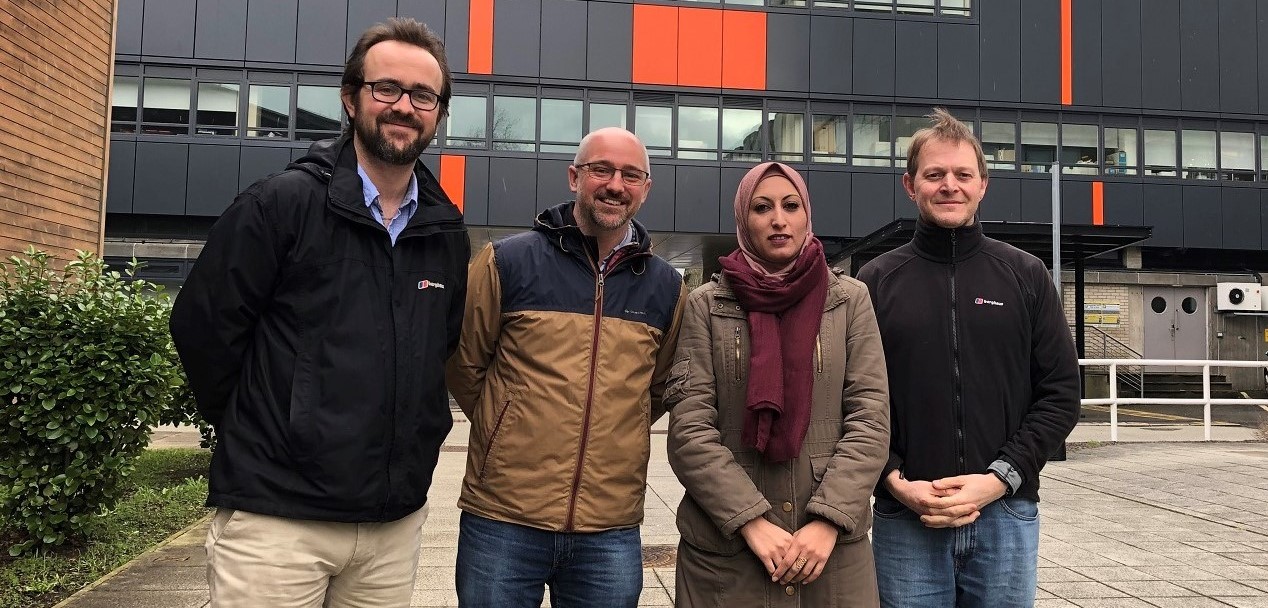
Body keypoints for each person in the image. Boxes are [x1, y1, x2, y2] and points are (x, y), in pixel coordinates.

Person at [169, 18, 468, 608]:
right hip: (276, 523)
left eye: (423, 95)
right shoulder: (279, 205)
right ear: (350, 98)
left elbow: (440, 350)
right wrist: (269, 425)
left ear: (438, 112)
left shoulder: (446, 233)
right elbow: (203, 329)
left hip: (391, 527)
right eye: (387, 89)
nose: (404, 106)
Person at [445, 127, 688, 607]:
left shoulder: (665, 287)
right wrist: (507, 427)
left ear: (645, 187)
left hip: (609, 527)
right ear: (575, 176)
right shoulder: (506, 261)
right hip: (503, 516)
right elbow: (464, 364)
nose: (615, 184)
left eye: (630, 174)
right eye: (601, 169)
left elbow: (657, 388)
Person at [856, 108, 1080, 607]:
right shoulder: (872, 284)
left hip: (1005, 514)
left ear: (983, 184)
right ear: (910, 185)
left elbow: (1061, 394)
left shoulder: (1026, 276)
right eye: (934, 175)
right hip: (905, 518)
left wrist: (998, 479)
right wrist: (894, 481)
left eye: (962, 174)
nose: (949, 186)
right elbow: (850, 402)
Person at [665, 162, 890, 607]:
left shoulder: (849, 299)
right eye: (762, 207)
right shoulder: (708, 305)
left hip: (829, 553)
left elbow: (871, 417)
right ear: (742, 220)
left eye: (791, 206)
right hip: (728, 552)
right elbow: (690, 429)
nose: (778, 219)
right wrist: (750, 520)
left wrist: (828, 520)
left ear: (807, 214)